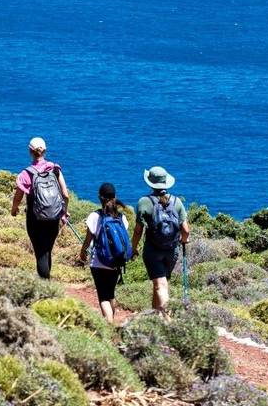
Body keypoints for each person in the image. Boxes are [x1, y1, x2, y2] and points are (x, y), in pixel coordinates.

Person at [131, 165, 189, 317]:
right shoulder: (176, 202)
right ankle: (155, 317)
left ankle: (167, 319)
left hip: (153, 250)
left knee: (160, 284)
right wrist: (184, 241)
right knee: (161, 283)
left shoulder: (144, 202)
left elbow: (138, 230)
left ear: (150, 183)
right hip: (171, 250)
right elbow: (186, 230)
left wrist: (133, 247)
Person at [10, 136, 70, 279]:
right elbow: (65, 195)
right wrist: (64, 212)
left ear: (30, 151)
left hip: (35, 218)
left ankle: (45, 287)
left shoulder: (26, 173)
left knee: (40, 252)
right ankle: (46, 282)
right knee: (47, 250)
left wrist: (14, 209)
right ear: (45, 151)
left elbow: (18, 196)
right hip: (54, 216)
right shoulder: (55, 169)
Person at [77, 182, 132, 323]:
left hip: (98, 262)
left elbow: (88, 240)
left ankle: (109, 324)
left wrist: (83, 252)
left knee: (103, 297)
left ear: (100, 198)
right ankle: (112, 320)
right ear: (115, 197)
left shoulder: (95, 216)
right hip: (116, 261)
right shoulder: (121, 218)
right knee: (111, 294)